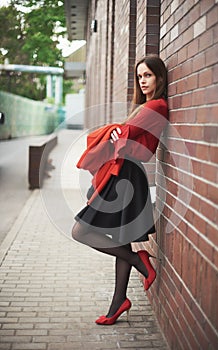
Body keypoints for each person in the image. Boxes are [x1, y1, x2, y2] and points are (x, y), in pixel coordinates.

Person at [72, 54, 168, 325]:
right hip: (125, 173)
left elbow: (124, 135)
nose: (143, 81)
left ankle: (140, 261)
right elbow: (123, 135)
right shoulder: (147, 106)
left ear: (160, 77)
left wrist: (118, 132)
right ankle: (118, 303)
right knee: (121, 238)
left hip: (125, 174)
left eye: (148, 75)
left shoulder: (158, 105)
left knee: (80, 231)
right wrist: (118, 133)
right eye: (140, 76)